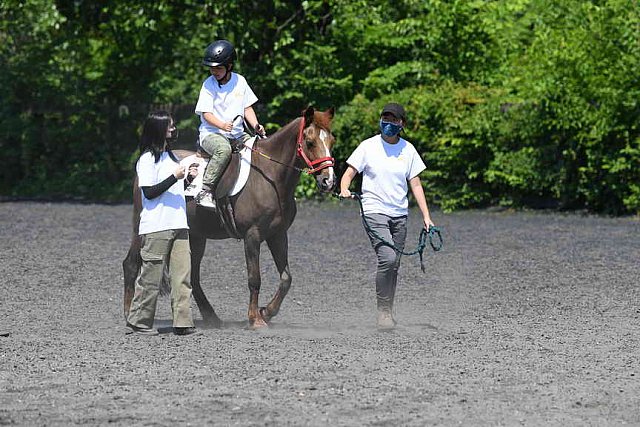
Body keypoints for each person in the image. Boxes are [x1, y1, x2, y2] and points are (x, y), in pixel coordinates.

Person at [339, 103, 435, 330]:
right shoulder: (368, 146)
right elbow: (350, 173)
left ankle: (388, 311)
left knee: (394, 265)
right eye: (385, 118)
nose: (388, 124)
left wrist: (426, 216)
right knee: (388, 258)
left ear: (402, 124)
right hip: (374, 211)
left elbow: (416, 184)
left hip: (400, 214)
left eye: (394, 120)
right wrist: (344, 188)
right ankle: (383, 312)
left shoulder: (408, 150)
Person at [127, 111, 199, 336]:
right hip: (156, 226)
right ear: (158, 130)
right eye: (169, 126)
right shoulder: (147, 159)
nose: (173, 129)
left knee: (182, 276)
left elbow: (173, 190)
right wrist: (174, 178)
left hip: (178, 223)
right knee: (151, 278)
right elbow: (149, 192)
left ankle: (183, 322)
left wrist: (187, 179)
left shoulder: (171, 158)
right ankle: (139, 321)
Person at [194, 39, 266, 208]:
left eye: (218, 67)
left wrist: (256, 125)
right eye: (212, 67)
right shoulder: (207, 84)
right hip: (211, 133)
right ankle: (206, 189)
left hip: (237, 134)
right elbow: (206, 114)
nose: (214, 71)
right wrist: (221, 125)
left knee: (258, 148)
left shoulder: (240, 81)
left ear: (230, 66)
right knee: (223, 150)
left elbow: (247, 107)